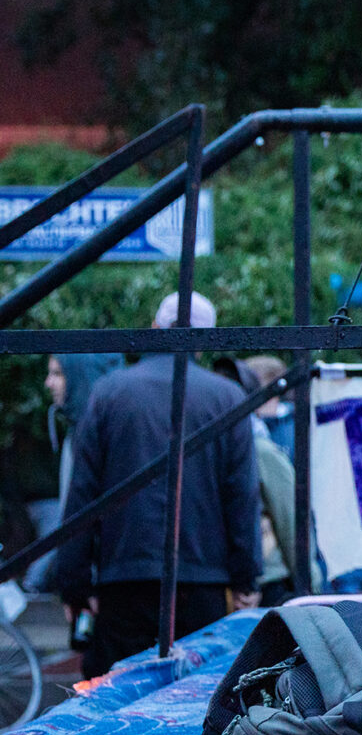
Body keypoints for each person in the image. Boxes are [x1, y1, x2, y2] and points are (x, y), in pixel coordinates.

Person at [56, 291, 262, 679]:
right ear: (207, 339)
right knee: (195, 703)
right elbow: (241, 495)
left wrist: (75, 585)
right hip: (202, 581)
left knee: (118, 700)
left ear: (154, 328)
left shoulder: (110, 393)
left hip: (124, 580)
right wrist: (245, 577)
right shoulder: (227, 397)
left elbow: (83, 496)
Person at [211, 354, 321, 605]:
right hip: (237, 581)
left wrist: (308, 583)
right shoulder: (251, 447)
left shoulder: (257, 449)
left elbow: (288, 517)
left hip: (259, 582)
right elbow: (291, 516)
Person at [26, 352, 122, 592]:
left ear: (80, 377)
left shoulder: (99, 437)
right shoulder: (75, 433)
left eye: (58, 374)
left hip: (104, 580)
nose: (49, 383)